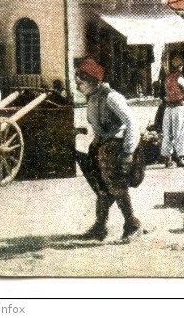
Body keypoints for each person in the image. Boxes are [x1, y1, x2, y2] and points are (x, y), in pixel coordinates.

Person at [76, 57, 142, 242]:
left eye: (81, 81)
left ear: (91, 80)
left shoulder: (111, 97)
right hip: (101, 147)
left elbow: (131, 123)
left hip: (116, 148)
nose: (78, 85)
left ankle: (132, 224)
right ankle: (100, 226)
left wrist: (128, 152)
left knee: (116, 186)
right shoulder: (92, 98)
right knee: (102, 188)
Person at [160, 56, 184, 167]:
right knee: (180, 133)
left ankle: (167, 159)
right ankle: (180, 158)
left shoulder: (167, 78)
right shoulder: (180, 78)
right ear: (179, 66)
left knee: (167, 133)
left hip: (168, 108)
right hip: (179, 108)